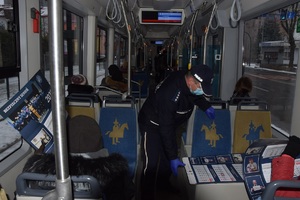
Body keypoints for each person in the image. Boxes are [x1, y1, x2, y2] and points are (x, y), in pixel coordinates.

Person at [138, 64, 215, 200]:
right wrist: (174, 156)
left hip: (169, 123)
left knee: (167, 159)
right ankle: (146, 195)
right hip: (151, 125)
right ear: (191, 81)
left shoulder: (187, 78)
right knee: (152, 163)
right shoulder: (168, 95)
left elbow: (193, 95)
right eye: (200, 89)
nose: (201, 92)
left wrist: (205, 106)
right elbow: (165, 128)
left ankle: (163, 184)